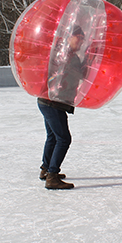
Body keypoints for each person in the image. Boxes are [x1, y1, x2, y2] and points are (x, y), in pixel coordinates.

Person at [37, 25, 86, 190]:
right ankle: (52, 176)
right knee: (64, 138)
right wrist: (88, 61)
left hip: (46, 100)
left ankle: (45, 169)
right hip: (53, 102)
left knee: (52, 137)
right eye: (78, 38)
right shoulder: (67, 56)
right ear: (70, 37)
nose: (80, 42)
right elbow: (79, 74)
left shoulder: (60, 52)